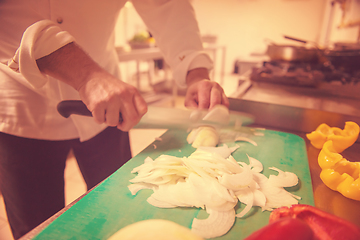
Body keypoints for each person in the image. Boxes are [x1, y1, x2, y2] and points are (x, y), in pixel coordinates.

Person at [0, 0, 229, 239]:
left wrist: (196, 72)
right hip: (23, 108)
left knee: (119, 211)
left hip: (109, 112)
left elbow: (166, 4)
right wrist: (85, 74)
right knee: (38, 229)